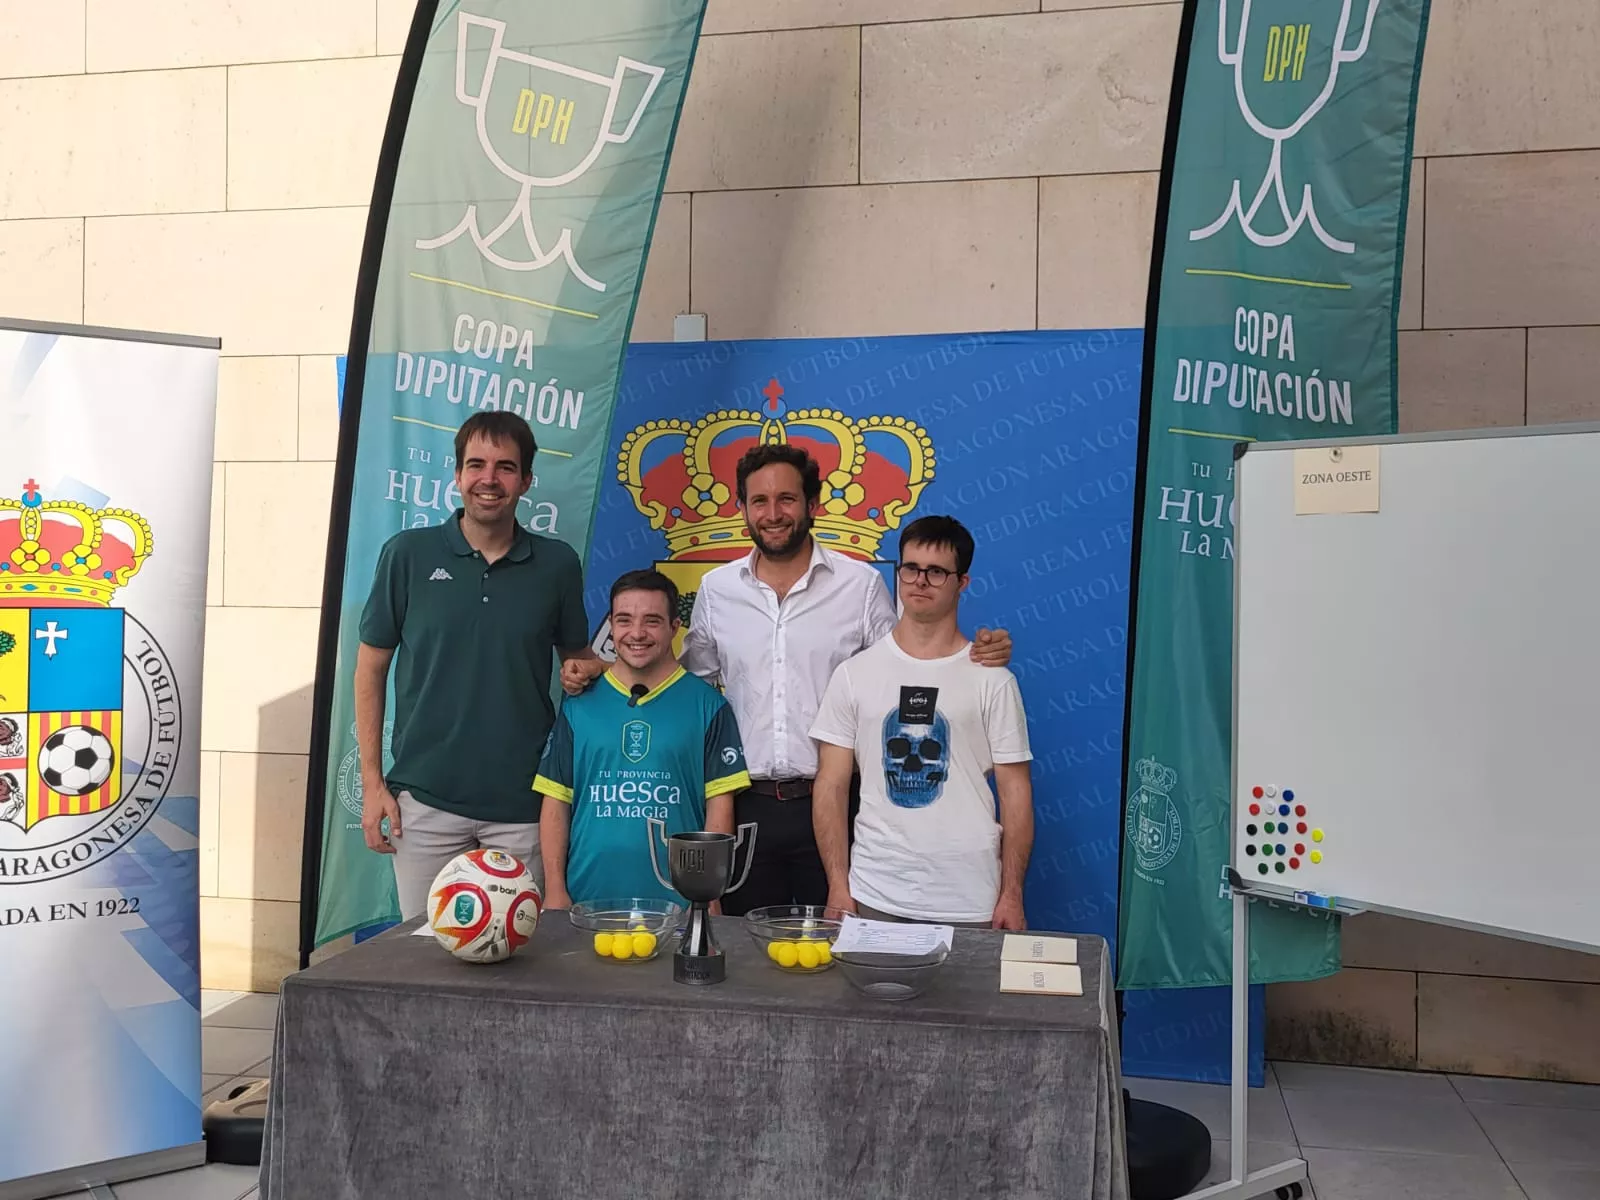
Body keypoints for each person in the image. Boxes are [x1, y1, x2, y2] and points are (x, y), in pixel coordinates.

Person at [565, 444, 1013, 915]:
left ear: (812, 505)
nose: (773, 513)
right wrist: (602, 668)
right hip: (745, 804)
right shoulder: (717, 591)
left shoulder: (859, 586)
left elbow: (907, 666)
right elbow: (680, 684)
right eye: (759, 501)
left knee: (842, 953)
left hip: (841, 804)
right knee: (746, 960)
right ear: (742, 510)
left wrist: (977, 652)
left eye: (786, 499)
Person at [354, 411, 597, 920]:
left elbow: (577, 661)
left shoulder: (557, 565)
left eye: (506, 467)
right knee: (423, 961)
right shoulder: (407, 555)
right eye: (477, 465)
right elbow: (370, 670)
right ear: (458, 474)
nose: (490, 479)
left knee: (520, 969)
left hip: (524, 808)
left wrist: (585, 670)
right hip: (424, 803)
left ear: (526, 481)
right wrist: (374, 784)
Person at [810, 515, 1035, 930]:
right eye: (911, 568)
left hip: (969, 899)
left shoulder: (995, 681)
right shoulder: (853, 674)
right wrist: (837, 887)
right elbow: (832, 785)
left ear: (961, 582)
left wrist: (1012, 895)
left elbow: (1016, 792)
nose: (920, 581)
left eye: (936, 572)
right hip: (873, 893)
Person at [535, 570, 751, 909]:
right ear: (611, 626)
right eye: (624, 620)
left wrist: (710, 892)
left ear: (674, 627)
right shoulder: (579, 704)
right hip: (586, 897)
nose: (636, 633)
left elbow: (719, 808)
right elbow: (556, 800)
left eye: (652, 621)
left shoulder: (708, 705)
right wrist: (556, 889)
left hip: (677, 902)